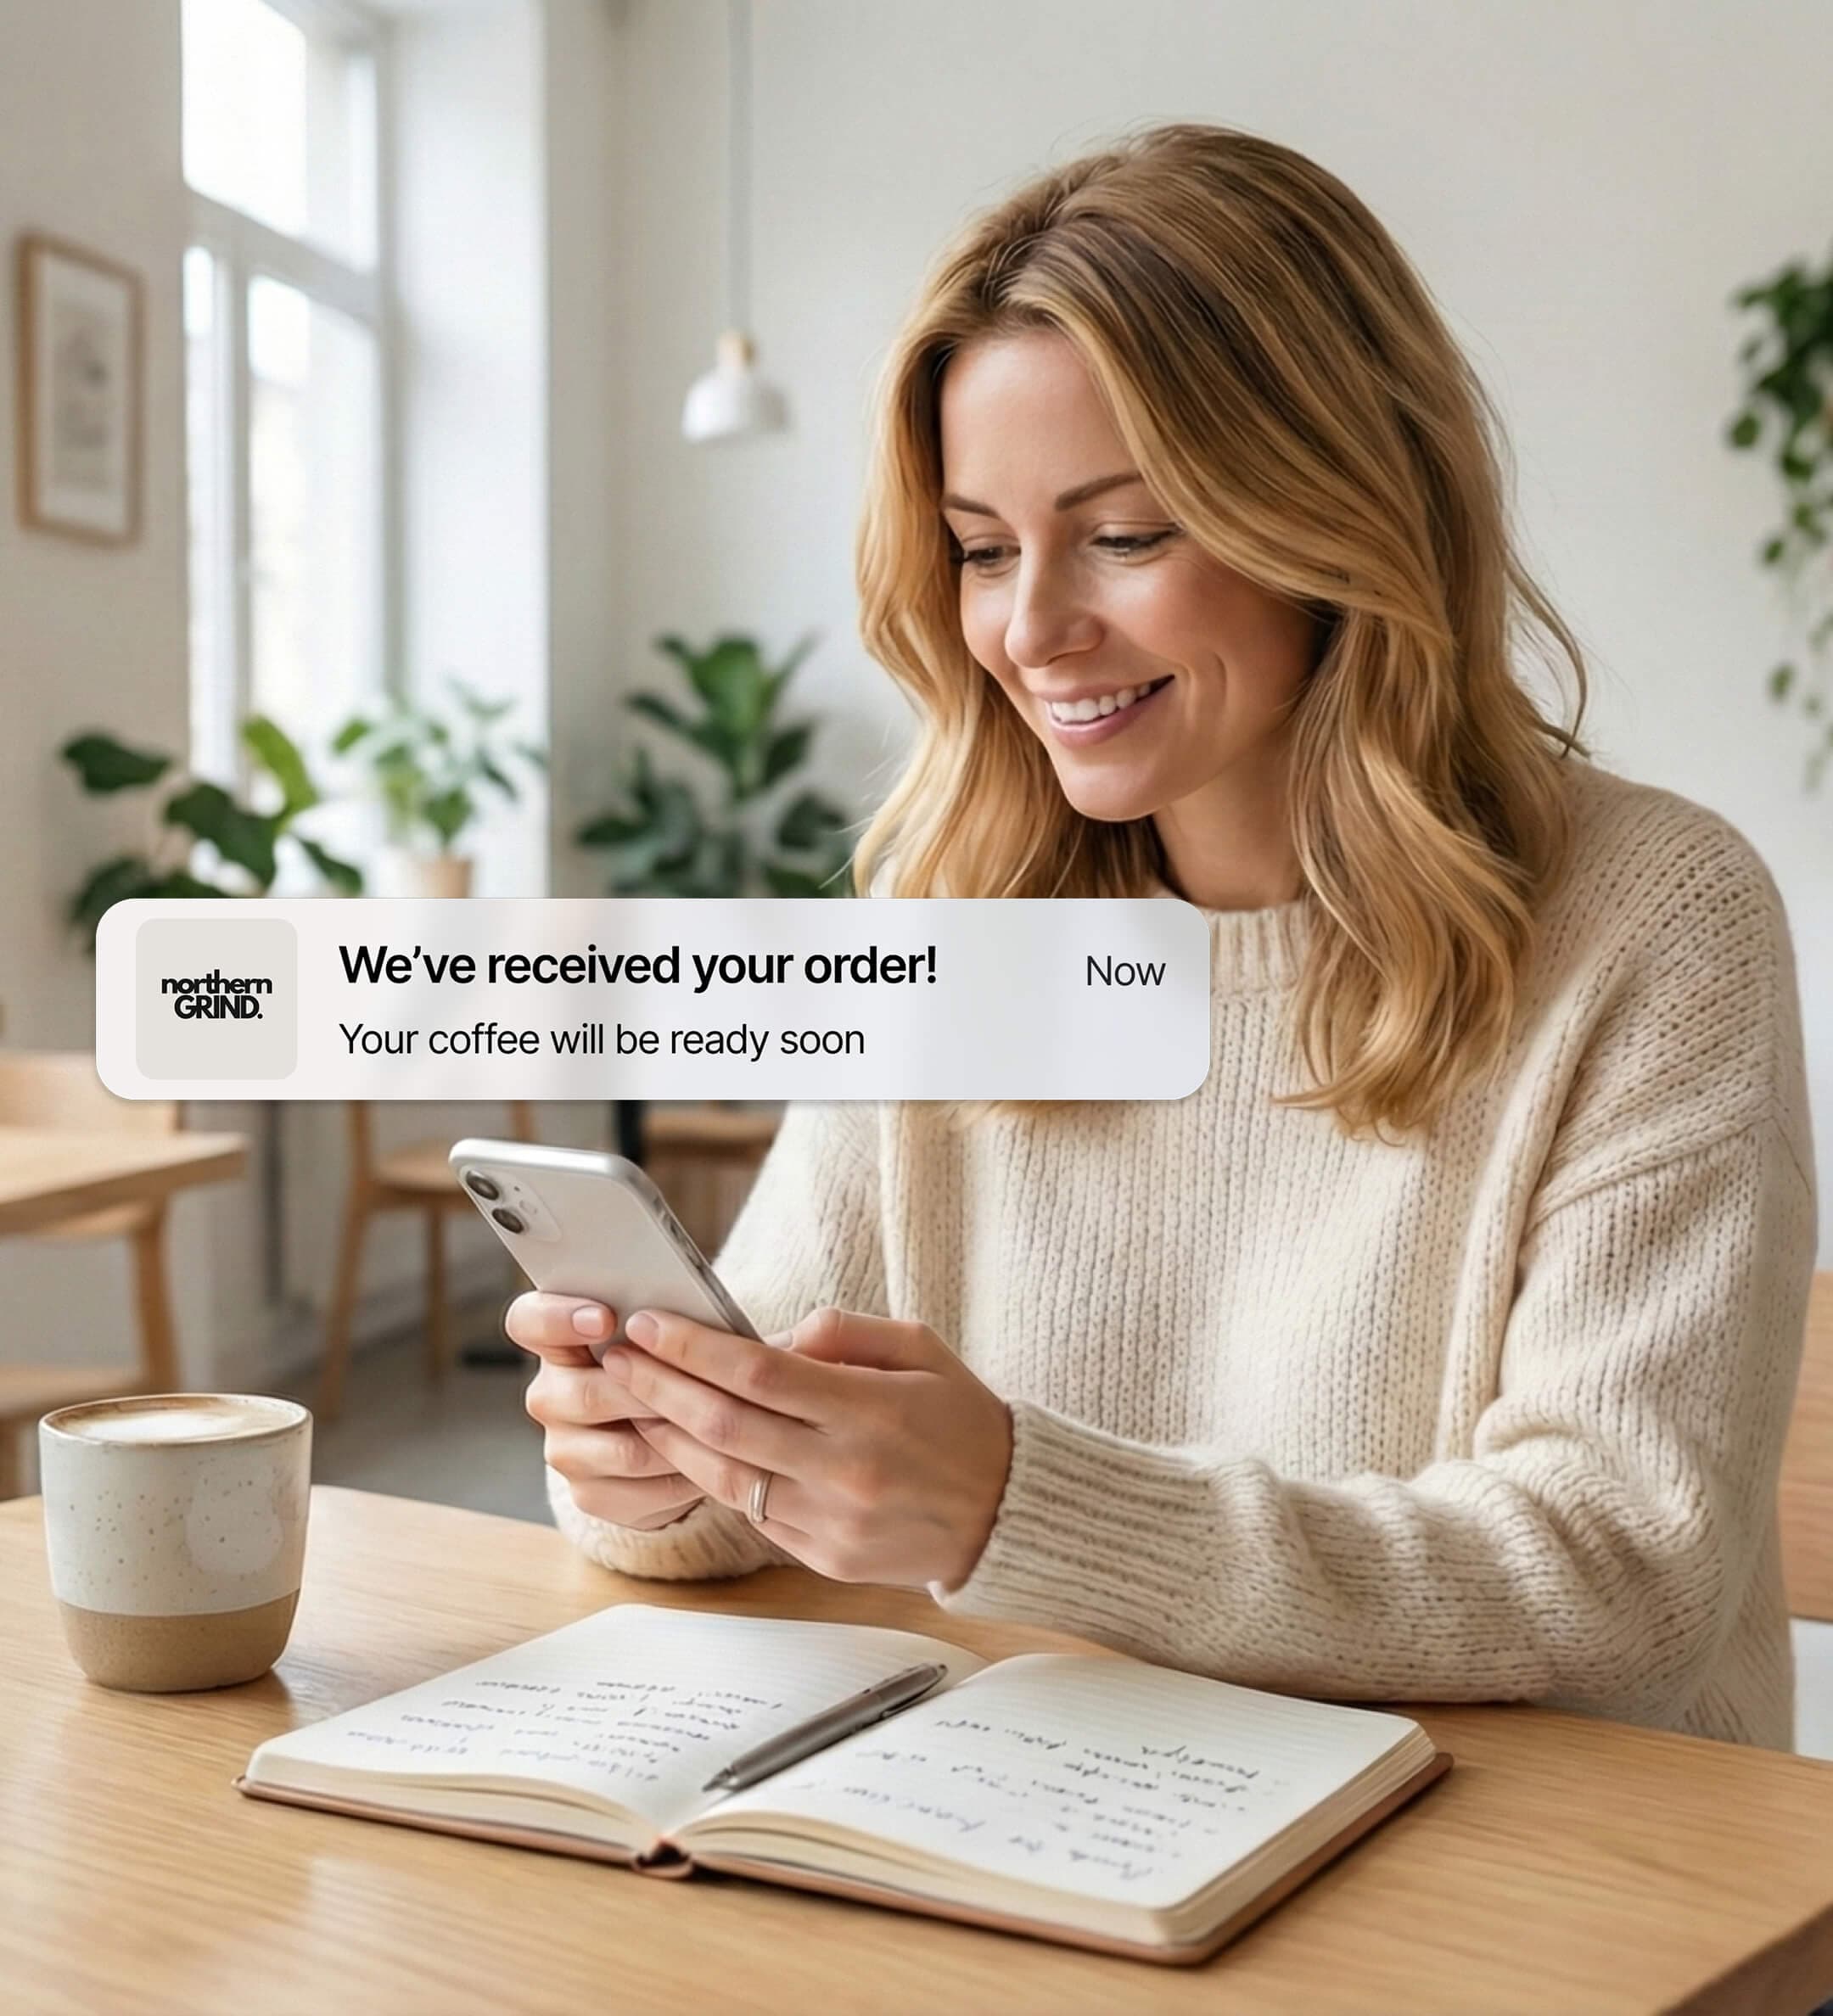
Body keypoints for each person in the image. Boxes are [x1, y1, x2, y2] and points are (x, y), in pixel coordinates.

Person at [513, 123, 1816, 1750]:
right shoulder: (952, 922)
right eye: (984, 550)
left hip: (1528, 1894)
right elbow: (758, 1458)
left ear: (1338, 514)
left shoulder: (1655, 924)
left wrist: (1020, 1507)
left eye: (1127, 534)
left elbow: (1623, 1571)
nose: (1033, 628)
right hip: (1052, 1829)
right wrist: (655, 1452)